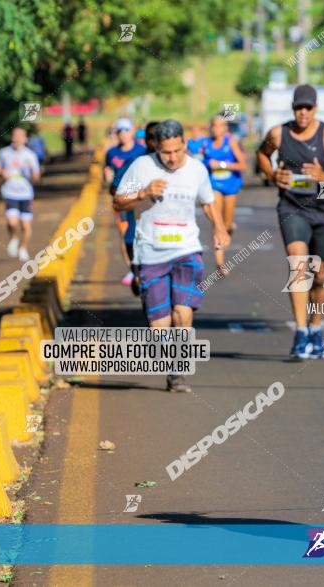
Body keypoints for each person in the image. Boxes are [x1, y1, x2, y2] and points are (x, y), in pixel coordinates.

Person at [114, 119, 230, 393]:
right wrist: (143, 192)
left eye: (177, 151)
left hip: (186, 249)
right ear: (156, 147)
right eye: (166, 152)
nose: (172, 158)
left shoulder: (197, 169)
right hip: (150, 252)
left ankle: (178, 371)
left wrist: (219, 227)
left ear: (184, 144)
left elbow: (208, 201)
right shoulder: (142, 167)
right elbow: (118, 202)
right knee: (160, 326)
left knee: (182, 313)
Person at [257, 84, 324, 360]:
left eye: (308, 107)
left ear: (315, 109)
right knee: (298, 262)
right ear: (293, 108)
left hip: (323, 208)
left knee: (321, 274)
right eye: (298, 107)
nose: (303, 113)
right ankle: (301, 331)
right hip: (292, 207)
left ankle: (315, 326)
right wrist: (271, 175)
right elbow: (262, 155)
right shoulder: (279, 133)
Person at [105, 118, 148, 286]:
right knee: (125, 234)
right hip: (120, 198)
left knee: (141, 233)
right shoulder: (111, 153)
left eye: (126, 130)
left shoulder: (141, 151)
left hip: (139, 198)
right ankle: (132, 270)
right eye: (119, 131)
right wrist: (107, 177)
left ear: (132, 131)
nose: (123, 133)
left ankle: (142, 266)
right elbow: (108, 174)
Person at [202, 115, 246, 273]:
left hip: (231, 185)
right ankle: (220, 263)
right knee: (217, 221)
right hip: (214, 185)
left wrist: (221, 164)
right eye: (213, 125)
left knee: (226, 225)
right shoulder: (205, 143)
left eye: (220, 126)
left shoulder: (231, 142)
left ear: (225, 128)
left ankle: (229, 227)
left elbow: (242, 165)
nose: (216, 129)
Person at [0, 127, 41, 262]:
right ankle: (14, 238)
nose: (17, 138)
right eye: (15, 135)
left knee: (26, 225)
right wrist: (3, 173)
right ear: (12, 137)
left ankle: (23, 248)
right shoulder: (4, 152)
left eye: (21, 136)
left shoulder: (30, 155)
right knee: (12, 222)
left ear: (25, 139)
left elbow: (36, 177)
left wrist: (32, 170)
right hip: (10, 192)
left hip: (26, 194)